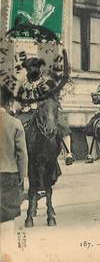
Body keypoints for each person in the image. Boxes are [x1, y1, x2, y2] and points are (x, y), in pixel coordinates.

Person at [15, 57, 74, 165]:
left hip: (46, 110)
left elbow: (53, 97)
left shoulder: (47, 82)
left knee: (62, 126)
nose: (32, 71)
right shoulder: (23, 84)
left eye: (34, 68)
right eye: (29, 69)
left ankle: (68, 153)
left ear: (39, 69)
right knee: (16, 125)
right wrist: (22, 105)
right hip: (27, 112)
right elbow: (19, 99)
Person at [0, 85, 28, 224]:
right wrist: (22, 176)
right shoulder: (15, 123)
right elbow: (22, 154)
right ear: (9, 102)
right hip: (9, 175)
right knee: (6, 220)